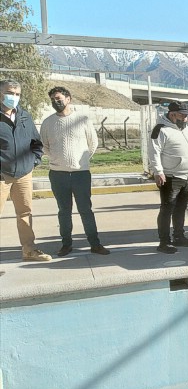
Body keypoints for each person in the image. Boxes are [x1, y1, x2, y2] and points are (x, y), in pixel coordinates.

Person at [40, 86, 109, 256]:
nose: (56, 102)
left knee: (86, 210)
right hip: (58, 175)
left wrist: (81, 162)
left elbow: (92, 144)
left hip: (80, 174)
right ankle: (66, 245)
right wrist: (58, 160)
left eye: (58, 98)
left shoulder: (83, 119)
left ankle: (95, 244)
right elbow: (45, 146)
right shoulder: (48, 123)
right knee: (64, 211)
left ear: (68, 98)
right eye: (53, 100)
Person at [0, 79, 51, 261]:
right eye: (9, 93)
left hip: (23, 174)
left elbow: (36, 143)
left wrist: (33, 161)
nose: (13, 97)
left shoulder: (24, 116)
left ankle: (29, 250)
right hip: (2, 176)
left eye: (17, 94)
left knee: (25, 213)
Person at [148, 101, 188, 254]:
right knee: (167, 209)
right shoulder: (161, 130)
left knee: (181, 208)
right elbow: (154, 152)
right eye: (183, 115)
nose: (186, 118)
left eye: (186, 115)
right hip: (171, 177)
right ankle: (164, 242)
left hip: (187, 177)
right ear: (172, 115)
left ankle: (179, 237)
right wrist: (158, 171)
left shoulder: (187, 130)